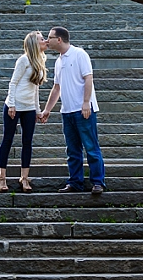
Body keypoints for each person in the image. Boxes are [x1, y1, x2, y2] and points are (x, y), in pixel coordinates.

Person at [38, 26, 106, 194]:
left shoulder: (79, 54)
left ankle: (98, 182)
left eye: (50, 37)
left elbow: (88, 78)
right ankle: (75, 182)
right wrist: (47, 109)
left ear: (59, 39)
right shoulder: (59, 61)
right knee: (72, 149)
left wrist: (85, 103)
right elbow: (56, 88)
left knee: (91, 147)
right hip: (67, 111)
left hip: (83, 110)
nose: (47, 40)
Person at [0, 31, 48, 192]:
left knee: (27, 142)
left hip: (29, 109)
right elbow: (13, 83)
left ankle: (24, 178)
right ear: (34, 43)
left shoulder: (40, 61)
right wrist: (12, 105)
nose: (45, 41)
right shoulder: (24, 60)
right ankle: (2, 177)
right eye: (42, 39)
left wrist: (38, 110)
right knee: (8, 139)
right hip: (14, 106)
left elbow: (35, 89)